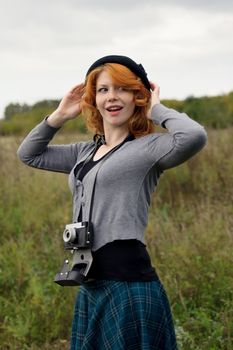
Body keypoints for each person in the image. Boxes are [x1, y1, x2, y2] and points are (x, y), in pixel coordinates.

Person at [17, 55, 207, 350]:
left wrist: (157, 109)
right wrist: (59, 116)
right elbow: (29, 154)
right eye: (103, 90)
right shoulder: (83, 151)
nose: (112, 97)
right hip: (90, 280)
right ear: (93, 98)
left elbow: (194, 135)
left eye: (122, 89)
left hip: (128, 283)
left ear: (137, 96)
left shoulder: (149, 148)